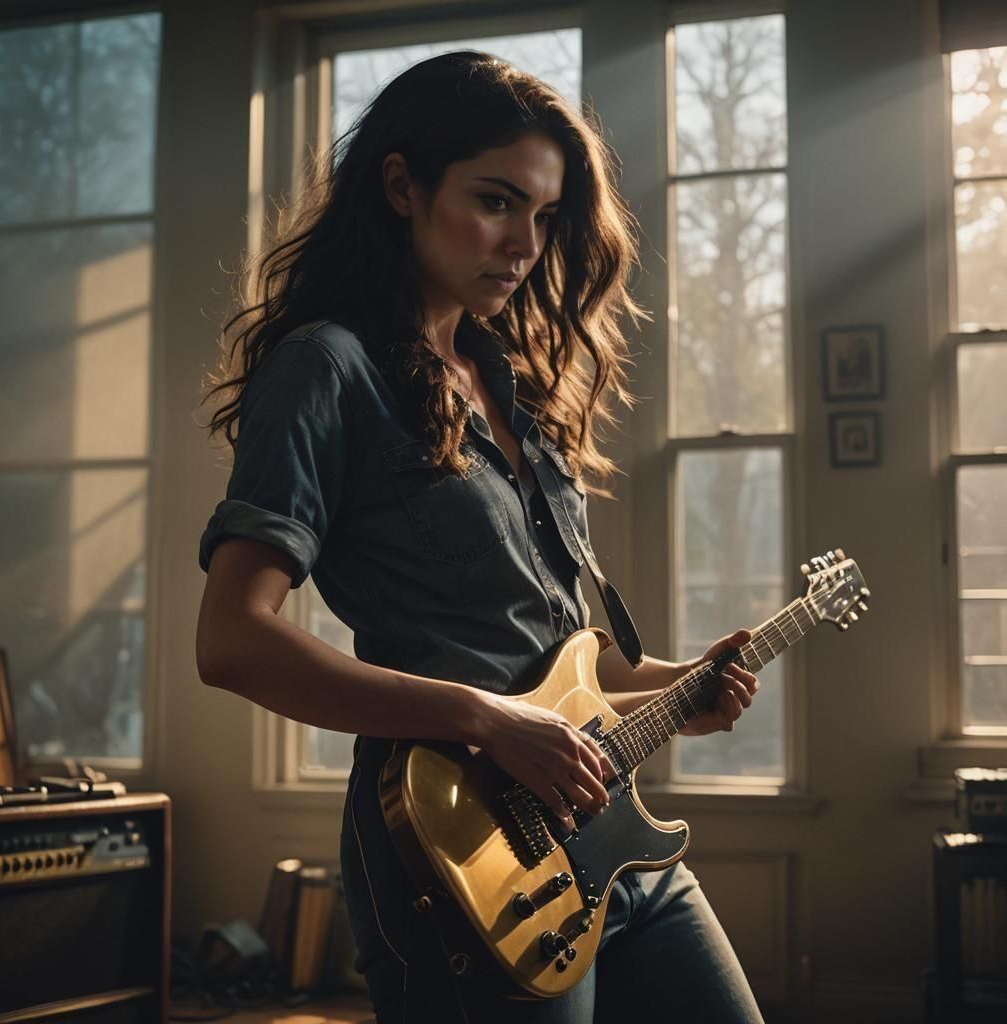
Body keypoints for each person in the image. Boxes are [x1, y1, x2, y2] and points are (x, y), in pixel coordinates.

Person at [196, 50, 764, 1023]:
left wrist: (682, 686)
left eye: (544, 217)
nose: (525, 243)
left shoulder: (511, 379)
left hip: (605, 839)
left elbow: (552, 664)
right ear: (401, 186)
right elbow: (231, 640)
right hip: (455, 848)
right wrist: (485, 718)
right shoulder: (325, 368)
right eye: (497, 202)